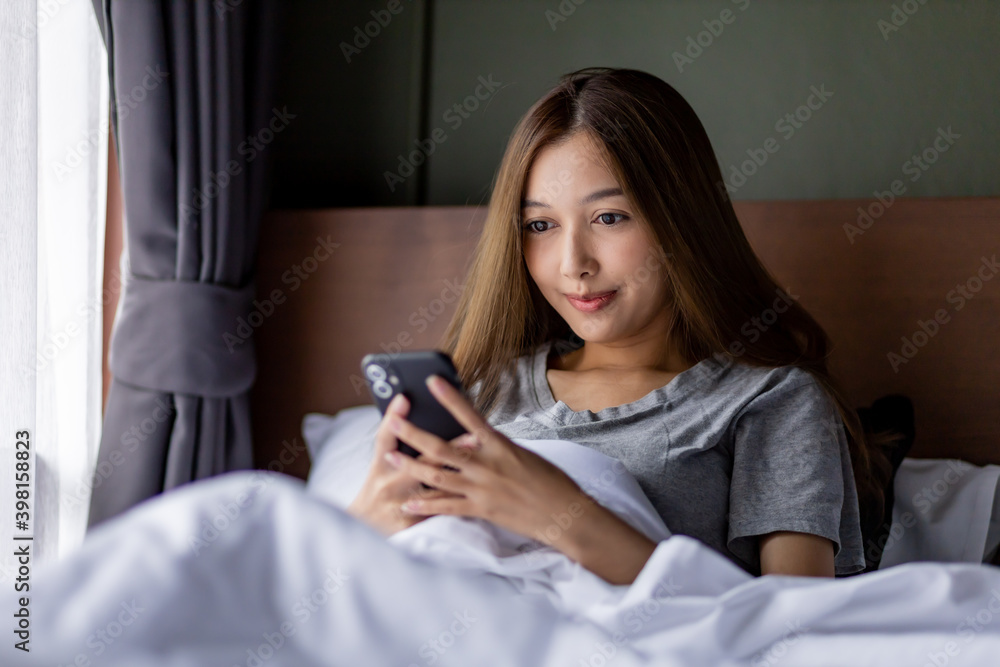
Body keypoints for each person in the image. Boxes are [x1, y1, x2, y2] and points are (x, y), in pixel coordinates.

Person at [346, 67, 892, 584]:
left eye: (609, 218)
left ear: (682, 218)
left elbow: (792, 629)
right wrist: (366, 526)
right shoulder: (478, 391)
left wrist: (565, 516)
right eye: (540, 225)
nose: (572, 264)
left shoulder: (770, 401)